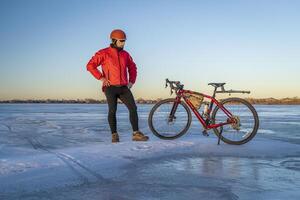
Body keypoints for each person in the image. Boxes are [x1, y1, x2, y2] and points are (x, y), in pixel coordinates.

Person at [86, 29, 149, 143]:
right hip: (110, 87)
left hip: (124, 87)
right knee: (112, 110)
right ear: (114, 40)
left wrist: (131, 81)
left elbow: (132, 67)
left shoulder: (125, 54)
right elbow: (90, 65)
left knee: (133, 108)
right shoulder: (104, 53)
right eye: (121, 41)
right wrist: (101, 78)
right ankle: (114, 134)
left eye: (124, 41)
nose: (123, 43)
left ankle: (136, 134)